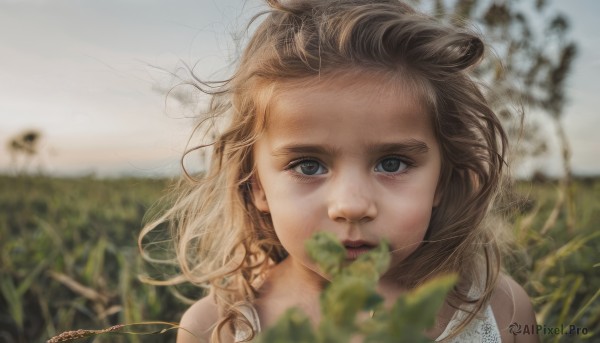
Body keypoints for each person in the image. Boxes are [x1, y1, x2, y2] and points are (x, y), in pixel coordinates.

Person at [140, 0, 539, 342]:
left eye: (392, 163)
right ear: (256, 185)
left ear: (442, 180)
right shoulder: (217, 328)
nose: (351, 206)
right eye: (308, 165)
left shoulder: (500, 310)